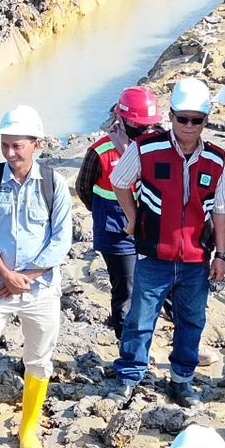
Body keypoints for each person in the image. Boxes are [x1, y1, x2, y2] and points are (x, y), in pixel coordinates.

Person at [0, 106, 73, 448]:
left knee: (39, 360)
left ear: (36, 145)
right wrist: (6, 276)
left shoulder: (54, 184)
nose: (9, 153)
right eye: (5, 145)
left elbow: (61, 239)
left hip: (41, 291)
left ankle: (29, 429)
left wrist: (27, 277)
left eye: (16, 146)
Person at [111, 78, 225, 407]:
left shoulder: (217, 160)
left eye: (197, 120)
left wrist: (221, 255)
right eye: (183, 119)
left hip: (196, 260)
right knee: (140, 319)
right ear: (171, 116)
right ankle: (129, 376)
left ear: (206, 120)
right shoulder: (146, 149)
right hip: (154, 256)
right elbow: (119, 181)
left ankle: (182, 380)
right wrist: (133, 218)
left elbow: (221, 212)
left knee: (192, 320)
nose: (189, 126)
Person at [77, 87, 165, 341]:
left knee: (165, 286)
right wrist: (108, 213)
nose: (145, 130)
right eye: (139, 125)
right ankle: (127, 346)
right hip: (116, 233)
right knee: (126, 289)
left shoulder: (159, 145)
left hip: (154, 229)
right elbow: (84, 188)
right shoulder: (101, 151)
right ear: (123, 119)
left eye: (149, 125)